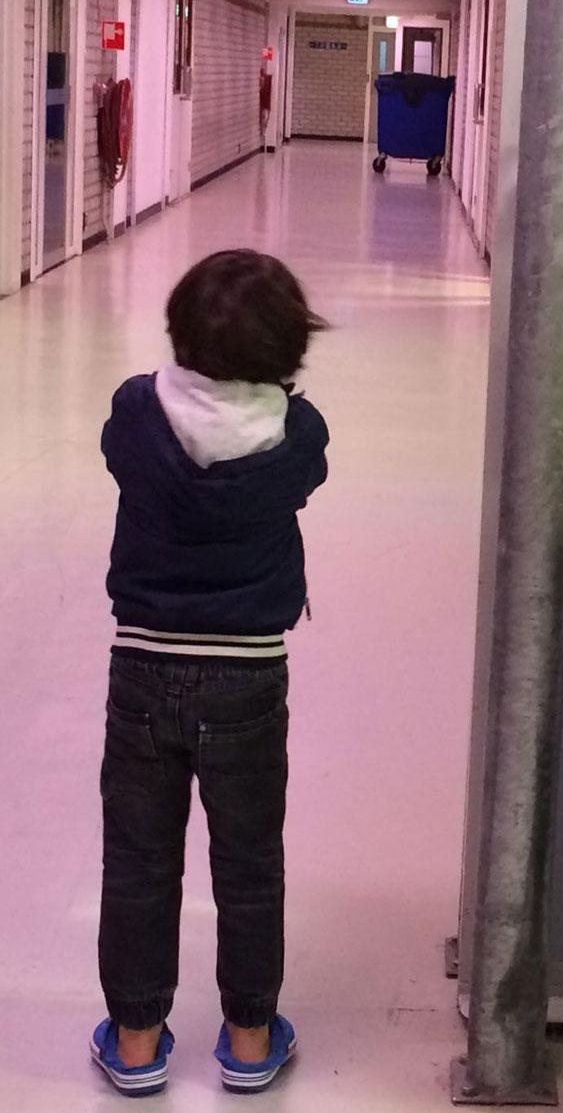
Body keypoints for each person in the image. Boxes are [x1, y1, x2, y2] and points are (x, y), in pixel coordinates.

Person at [90, 250, 329, 1098]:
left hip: (145, 667)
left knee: (140, 859)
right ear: (290, 349)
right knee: (250, 860)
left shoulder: (135, 411)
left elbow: (125, 444)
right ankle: (251, 1035)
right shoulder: (298, 435)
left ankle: (136, 1038)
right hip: (249, 680)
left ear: (178, 334)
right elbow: (308, 463)